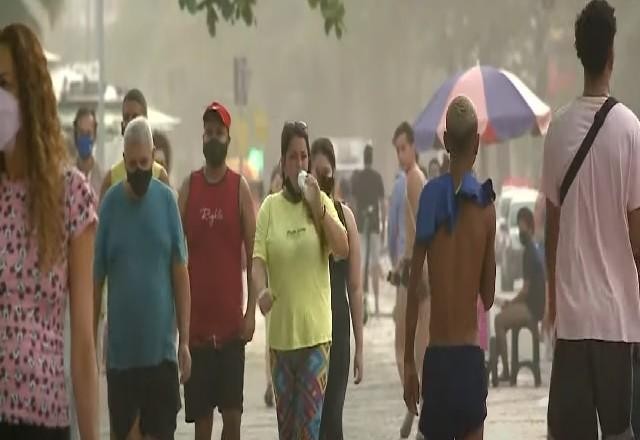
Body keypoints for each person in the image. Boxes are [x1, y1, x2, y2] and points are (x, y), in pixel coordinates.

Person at [542, 2, 640, 438]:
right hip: (619, 323)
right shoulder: (631, 130)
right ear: (611, 55)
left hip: (574, 323)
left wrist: (552, 298)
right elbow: (637, 236)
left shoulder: (558, 130)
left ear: (580, 54)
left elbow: (552, 226)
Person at [0, 23, 98, 440]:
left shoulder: (70, 195)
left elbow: (82, 345)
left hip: (43, 418)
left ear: (30, 95)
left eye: (3, 84)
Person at [404, 96, 496, 440]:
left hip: (438, 359)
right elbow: (487, 297)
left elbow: (414, 286)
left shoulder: (429, 197)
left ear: (445, 141)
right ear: (476, 142)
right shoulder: (486, 207)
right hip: (470, 359)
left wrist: (408, 364)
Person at [94, 116, 191, 440]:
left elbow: (180, 274)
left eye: (144, 162)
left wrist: (185, 342)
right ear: (124, 161)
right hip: (121, 359)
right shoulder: (109, 207)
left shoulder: (166, 202)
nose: (138, 170)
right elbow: (96, 280)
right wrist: (92, 343)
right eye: (132, 164)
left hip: (161, 355)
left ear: (153, 156)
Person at [252, 121, 349, 440]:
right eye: (293, 157)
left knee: (308, 431)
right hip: (281, 340)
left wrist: (318, 207)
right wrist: (260, 292)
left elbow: (342, 247)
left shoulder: (319, 201)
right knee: (288, 432)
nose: (300, 163)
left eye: (304, 156)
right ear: (283, 162)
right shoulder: (270, 208)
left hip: (315, 340)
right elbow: (257, 261)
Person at [177, 101, 256, 440]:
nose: (213, 138)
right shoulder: (188, 188)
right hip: (196, 330)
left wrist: (251, 312)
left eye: (218, 133)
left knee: (233, 418)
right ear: (202, 137)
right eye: (207, 132)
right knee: (202, 424)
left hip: (231, 329)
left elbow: (255, 256)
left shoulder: (239, 189)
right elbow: (174, 255)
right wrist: (177, 326)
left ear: (228, 138)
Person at [312, 137, 365, 440]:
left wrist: (360, 345)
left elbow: (355, 287)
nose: (322, 180)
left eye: (327, 172)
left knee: (332, 418)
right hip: (309, 331)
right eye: (316, 173)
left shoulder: (345, 217)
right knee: (311, 422)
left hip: (338, 327)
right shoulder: (304, 219)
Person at [392, 121, 430, 439]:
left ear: (413, 147)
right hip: (412, 270)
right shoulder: (409, 180)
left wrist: (416, 270)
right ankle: (413, 409)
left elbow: (421, 231)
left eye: (404, 148)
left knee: (417, 347)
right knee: (410, 344)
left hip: (420, 274)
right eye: (398, 150)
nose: (401, 154)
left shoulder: (415, 180)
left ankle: (420, 416)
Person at [494, 207, 545, 381]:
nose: (520, 231)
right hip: (534, 306)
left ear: (530, 228)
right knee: (505, 317)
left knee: (499, 320)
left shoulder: (530, 252)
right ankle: (509, 367)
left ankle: (507, 370)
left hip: (531, 309)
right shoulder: (534, 248)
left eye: (522, 227)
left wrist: (510, 303)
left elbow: (525, 290)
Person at [99, 88, 169, 200]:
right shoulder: (110, 179)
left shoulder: (160, 176)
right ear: (122, 125)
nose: (131, 122)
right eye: (126, 118)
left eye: (135, 117)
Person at [351, 144, 386, 316]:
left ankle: (363, 298)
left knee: (361, 264)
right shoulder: (377, 177)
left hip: (360, 226)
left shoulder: (358, 179)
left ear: (363, 158)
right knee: (374, 264)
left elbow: (354, 204)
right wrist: (383, 225)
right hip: (374, 226)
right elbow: (383, 204)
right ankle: (377, 305)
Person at [262, 164, 283, 408]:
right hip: (269, 285)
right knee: (269, 338)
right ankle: (270, 383)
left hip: (286, 287)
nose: (278, 186)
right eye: (275, 183)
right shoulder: (266, 212)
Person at [72, 107, 104, 197]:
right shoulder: (66, 178)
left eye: (89, 133)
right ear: (75, 135)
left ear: (94, 137)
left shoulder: (104, 179)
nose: (84, 138)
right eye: (81, 133)